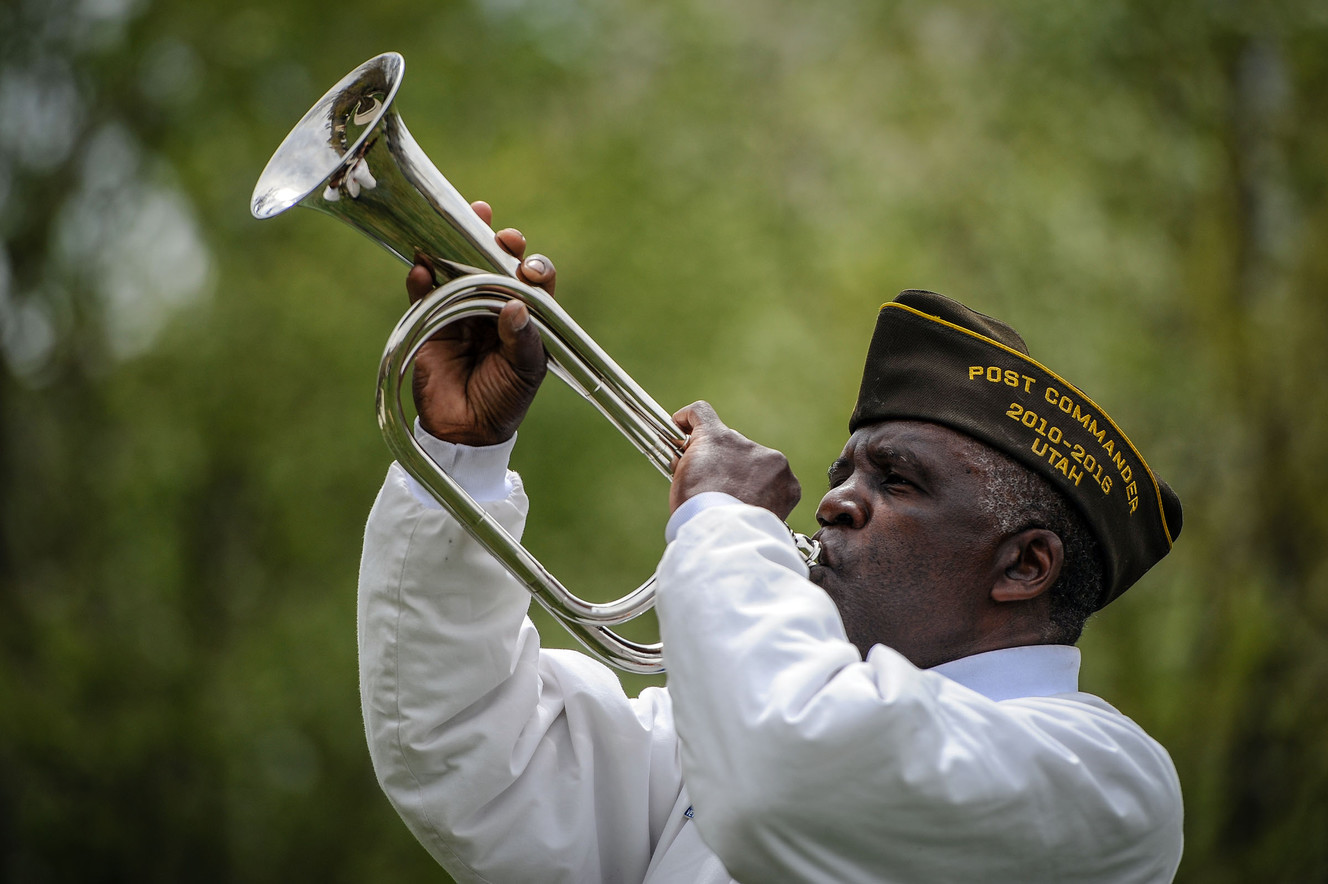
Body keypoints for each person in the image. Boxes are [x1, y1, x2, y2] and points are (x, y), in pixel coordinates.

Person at [357, 202, 1185, 883]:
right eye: (844, 473)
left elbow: (788, 777)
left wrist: (724, 519)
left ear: (1024, 565)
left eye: (896, 482)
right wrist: (462, 458)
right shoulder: (717, 731)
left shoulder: (1105, 779)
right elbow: (463, 755)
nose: (833, 504)